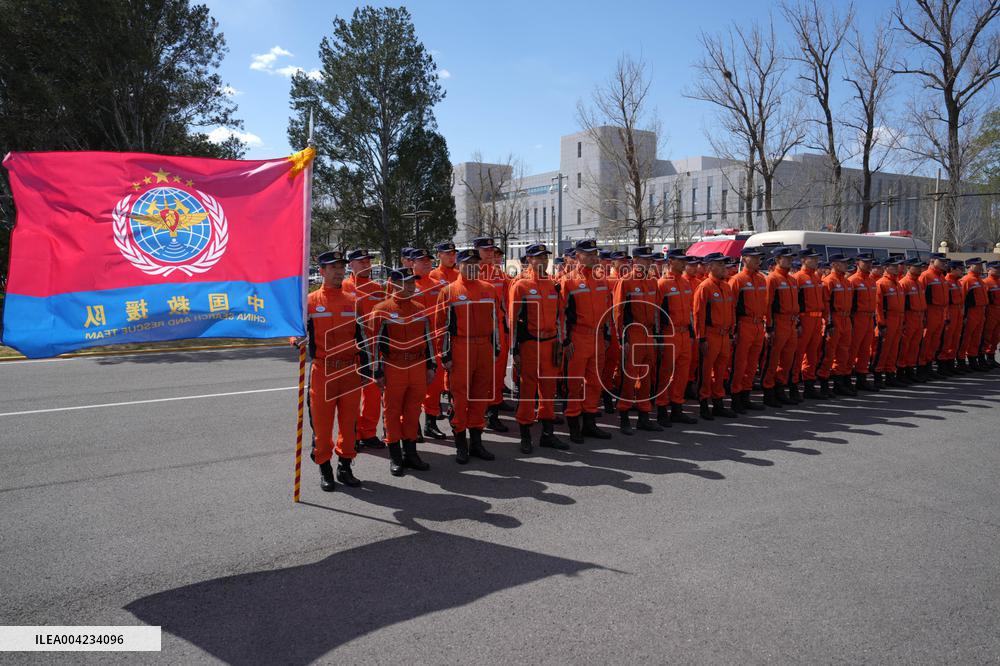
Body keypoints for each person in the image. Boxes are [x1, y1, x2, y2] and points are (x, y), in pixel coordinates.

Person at [297, 251, 370, 492]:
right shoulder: (309, 301)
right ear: (321, 271)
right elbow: (297, 332)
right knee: (322, 424)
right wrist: (295, 339)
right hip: (323, 372)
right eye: (332, 267)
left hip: (350, 371)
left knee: (349, 424)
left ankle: (345, 466)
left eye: (341, 267)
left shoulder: (353, 301)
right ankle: (325, 468)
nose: (338, 271)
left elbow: (362, 338)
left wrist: (369, 369)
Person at [434, 248, 501, 464]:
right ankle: (461, 444)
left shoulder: (489, 290)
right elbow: (440, 326)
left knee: (480, 397)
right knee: (460, 398)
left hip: (484, 347)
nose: (472, 267)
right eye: (467, 264)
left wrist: (496, 348)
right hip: (460, 348)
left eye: (475, 263)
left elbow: (496, 322)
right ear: (459, 266)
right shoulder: (449, 291)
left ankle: (477, 442)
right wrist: (445, 355)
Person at [369, 267, 435, 476]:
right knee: (392, 412)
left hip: (416, 366)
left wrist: (431, 365)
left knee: (413, 411)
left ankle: (411, 453)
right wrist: (377, 371)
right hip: (394, 367)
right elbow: (374, 344)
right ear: (394, 284)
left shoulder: (419, 308)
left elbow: (429, 340)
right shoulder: (381, 309)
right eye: (406, 282)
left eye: (412, 282)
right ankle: (396, 456)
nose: (411, 286)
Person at [509, 243, 568, 454]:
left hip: (551, 343)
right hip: (530, 345)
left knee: (548, 390)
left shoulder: (554, 285)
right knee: (527, 390)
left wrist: (561, 342)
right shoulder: (521, 286)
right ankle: (525, 436)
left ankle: (547, 434)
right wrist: (514, 350)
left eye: (545, 257)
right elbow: (513, 321)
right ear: (529, 260)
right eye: (538, 257)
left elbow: (560, 317)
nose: (543, 261)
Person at [560, 239, 614, 443]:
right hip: (578, 338)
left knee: (595, 383)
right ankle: (574, 424)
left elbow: (608, 311)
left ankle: (590, 423)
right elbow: (562, 315)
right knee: (574, 384)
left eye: (594, 254)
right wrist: (565, 340)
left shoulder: (602, 280)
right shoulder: (568, 281)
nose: (593, 257)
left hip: (598, 337)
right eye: (588, 254)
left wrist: (607, 335)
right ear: (578, 256)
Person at [613, 246, 664, 434]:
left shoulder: (652, 282)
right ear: (635, 261)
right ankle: (624, 417)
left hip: (648, 333)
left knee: (647, 376)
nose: (649, 263)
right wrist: (623, 338)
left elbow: (657, 311)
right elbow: (619, 312)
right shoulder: (625, 282)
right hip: (633, 332)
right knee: (629, 377)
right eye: (644, 259)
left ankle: (644, 416)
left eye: (650, 260)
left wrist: (657, 337)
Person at [343, 249, 386, 449]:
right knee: (350, 397)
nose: (366, 265)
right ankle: (351, 434)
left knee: (373, 394)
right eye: (361, 262)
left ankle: (368, 433)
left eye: (368, 261)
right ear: (351, 265)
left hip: (374, 348)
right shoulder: (343, 287)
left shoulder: (378, 289)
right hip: (351, 349)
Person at [473, 237, 513, 433]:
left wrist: (507, 329)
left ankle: (493, 414)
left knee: (497, 374)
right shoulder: (469, 273)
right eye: (485, 250)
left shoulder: (500, 275)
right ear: (476, 251)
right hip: (476, 332)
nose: (489, 253)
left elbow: (506, 304)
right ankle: (475, 415)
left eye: (491, 250)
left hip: (497, 332)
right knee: (477, 376)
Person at [655, 249, 699, 424]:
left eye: (684, 260)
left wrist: (690, 332)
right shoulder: (662, 284)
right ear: (671, 261)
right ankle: (661, 409)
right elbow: (656, 313)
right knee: (666, 373)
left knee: (682, 373)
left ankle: (677, 407)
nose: (684, 263)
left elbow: (689, 311)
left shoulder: (686, 283)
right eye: (680, 260)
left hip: (683, 334)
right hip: (669, 333)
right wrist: (658, 337)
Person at [693, 252, 737, 419]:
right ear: (710, 267)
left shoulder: (726, 286)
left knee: (721, 370)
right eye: (719, 265)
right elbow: (699, 314)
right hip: (710, 335)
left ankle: (718, 403)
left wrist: (731, 333)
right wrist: (701, 338)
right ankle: (704, 404)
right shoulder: (704, 287)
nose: (723, 268)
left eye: (723, 264)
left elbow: (731, 310)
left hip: (724, 335)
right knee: (705, 371)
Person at [424, 241, 459, 438]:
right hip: (431, 335)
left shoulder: (458, 275)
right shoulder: (433, 277)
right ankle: (429, 420)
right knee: (431, 383)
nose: (451, 257)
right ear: (439, 255)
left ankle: (445, 416)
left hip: (451, 334)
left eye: (453, 253)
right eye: (447, 254)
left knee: (448, 379)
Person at [728, 247, 769, 413]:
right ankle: (735, 398)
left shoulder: (761, 279)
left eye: (759, 257)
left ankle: (746, 396)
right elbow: (730, 308)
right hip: (744, 325)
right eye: (754, 257)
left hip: (758, 325)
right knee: (740, 364)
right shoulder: (737, 280)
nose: (758, 260)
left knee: (752, 365)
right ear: (744, 259)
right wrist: (734, 330)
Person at [762, 247, 801, 406]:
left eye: (791, 258)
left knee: (787, 359)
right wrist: (769, 327)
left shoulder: (792, 280)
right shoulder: (772, 279)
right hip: (778, 323)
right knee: (773, 359)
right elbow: (767, 305)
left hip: (791, 323)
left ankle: (780, 388)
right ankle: (768, 391)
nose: (790, 261)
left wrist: (797, 322)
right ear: (778, 260)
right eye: (787, 258)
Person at [818, 254, 855, 397]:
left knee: (843, 353)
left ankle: (838, 383)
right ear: (834, 264)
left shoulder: (846, 282)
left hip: (846, 320)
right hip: (835, 319)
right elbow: (826, 305)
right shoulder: (828, 281)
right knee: (829, 353)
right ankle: (824, 383)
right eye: (843, 263)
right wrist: (828, 323)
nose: (846, 265)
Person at [794, 249, 827, 398]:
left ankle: (809, 385)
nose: (816, 261)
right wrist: (798, 322)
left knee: (812, 355)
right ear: (803, 260)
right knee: (798, 354)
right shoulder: (798, 278)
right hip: (805, 319)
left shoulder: (816, 278)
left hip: (816, 320)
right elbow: (795, 302)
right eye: (812, 259)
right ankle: (794, 384)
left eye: (816, 259)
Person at [846, 253, 879, 392]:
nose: (869, 265)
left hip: (869, 318)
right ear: (858, 263)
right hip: (857, 318)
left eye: (870, 262)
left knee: (865, 351)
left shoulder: (871, 281)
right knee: (853, 349)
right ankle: (846, 378)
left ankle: (862, 378)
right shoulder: (852, 280)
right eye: (865, 262)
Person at [872, 258, 906, 388]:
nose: (897, 268)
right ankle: (878, 375)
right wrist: (881, 323)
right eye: (893, 266)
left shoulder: (897, 284)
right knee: (883, 349)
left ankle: (890, 374)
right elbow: (878, 306)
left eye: (897, 266)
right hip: (888, 319)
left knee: (894, 348)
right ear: (886, 267)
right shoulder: (881, 283)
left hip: (898, 319)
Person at [918, 253, 951, 379]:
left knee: (935, 342)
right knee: (926, 341)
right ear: (932, 261)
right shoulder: (926, 276)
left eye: (945, 261)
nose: (944, 263)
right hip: (930, 312)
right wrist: (924, 315)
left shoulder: (942, 277)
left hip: (940, 312)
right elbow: (921, 297)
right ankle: (921, 368)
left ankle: (928, 366)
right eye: (941, 261)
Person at [897, 257, 928, 383]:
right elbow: (901, 304)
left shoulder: (919, 283)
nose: (920, 269)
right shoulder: (904, 283)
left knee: (914, 346)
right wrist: (903, 321)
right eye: (917, 266)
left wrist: (924, 317)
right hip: (909, 317)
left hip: (919, 317)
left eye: (921, 267)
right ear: (909, 267)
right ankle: (901, 372)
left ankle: (910, 370)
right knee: (905, 346)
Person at [958, 258, 989, 371]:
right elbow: (962, 300)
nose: (981, 267)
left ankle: (972, 359)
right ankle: (961, 360)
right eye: (978, 265)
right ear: (970, 266)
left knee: (976, 337)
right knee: (966, 337)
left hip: (980, 312)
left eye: (981, 264)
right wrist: (964, 316)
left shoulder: (980, 280)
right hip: (971, 312)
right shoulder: (966, 280)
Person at [938, 260, 966, 375]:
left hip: (958, 313)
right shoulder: (947, 282)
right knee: (947, 340)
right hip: (950, 313)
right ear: (953, 269)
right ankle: (943, 364)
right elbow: (945, 302)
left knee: (955, 338)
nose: (962, 271)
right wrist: (946, 316)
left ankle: (950, 362)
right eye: (960, 269)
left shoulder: (958, 282)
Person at [980, 260, 1000, 369]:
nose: (998, 270)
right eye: (996, 268)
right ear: (988, 270)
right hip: (990, 311)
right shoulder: (986, 282)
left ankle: (991, 357)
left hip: (998, 312)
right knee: (987, 335)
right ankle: (983, 357)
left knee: (996, 337)